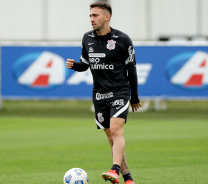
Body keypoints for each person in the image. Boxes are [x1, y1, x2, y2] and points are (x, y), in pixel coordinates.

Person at [66, 2, 141, 184]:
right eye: (90, 16)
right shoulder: (87, 38)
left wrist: (134, 96)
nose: (91, 19)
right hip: (99, 95)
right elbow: (86, 63)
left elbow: (131, 68)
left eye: (95, 15)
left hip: (119, 92)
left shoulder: (122, 39)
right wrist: (75, 65)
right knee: (111, 138)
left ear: (106, 17)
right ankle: (128, 179)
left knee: (116, 130)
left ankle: (114, 170)